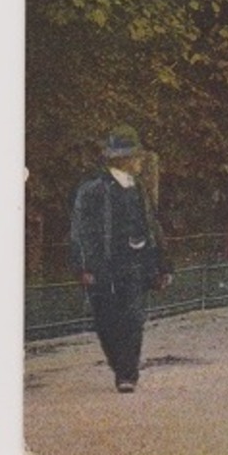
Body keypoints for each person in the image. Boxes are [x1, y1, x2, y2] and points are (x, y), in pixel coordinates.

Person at [69, 126, 172, 393]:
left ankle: (127, 374)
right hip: (104, 266)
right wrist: (83, 266)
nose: (140, 161)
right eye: (136, 157)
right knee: (106, 321)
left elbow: (153, 226)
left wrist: (163, 264)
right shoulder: (93, 189)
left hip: (136, 264)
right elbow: (80, 230)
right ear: (123, 159)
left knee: (134, 318)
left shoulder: (140, 188)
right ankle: (119, 364)